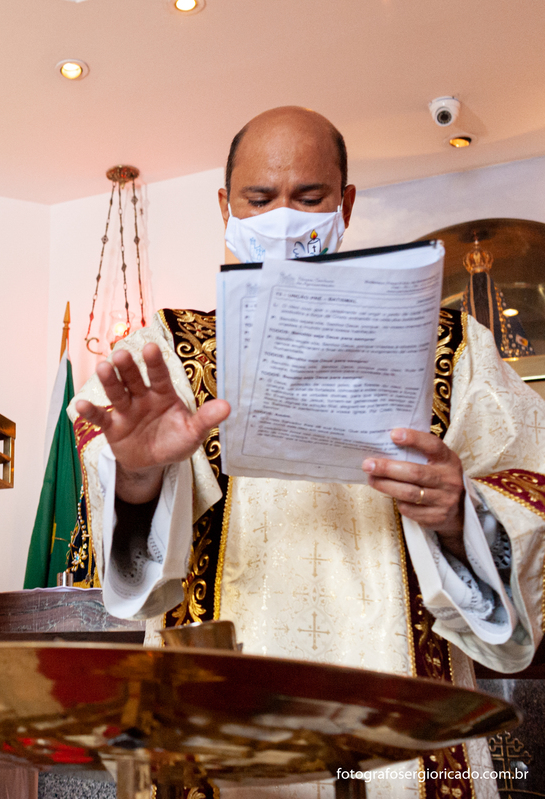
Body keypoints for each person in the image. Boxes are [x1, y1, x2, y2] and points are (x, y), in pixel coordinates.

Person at [69, 106, 545, 799]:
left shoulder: (449, 344)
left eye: (309, 197)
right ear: (225, 205)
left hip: (402, 693)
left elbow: (527, 476)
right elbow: (125, 537)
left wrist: (458, 511)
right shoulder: (166, 350)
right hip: (220, 701)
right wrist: (140, 474)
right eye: (260, 199)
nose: (283, 217)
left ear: (345, 203)